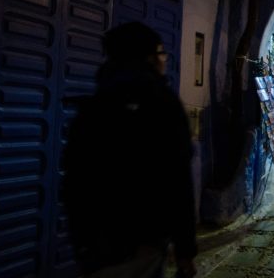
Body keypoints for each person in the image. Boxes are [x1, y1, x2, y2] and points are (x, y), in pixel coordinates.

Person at [63, 21, 197, 278]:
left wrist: (81, 238)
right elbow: (178, 180)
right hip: (144, 237)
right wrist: (185, 249)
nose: (164, 60)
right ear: (149, 57)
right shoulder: (163, 103)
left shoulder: (96, 103)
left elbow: (74, 178)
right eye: (161, 53)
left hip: (95, 241)